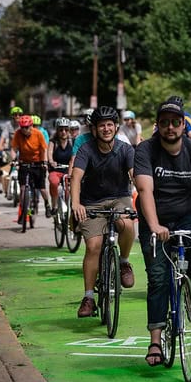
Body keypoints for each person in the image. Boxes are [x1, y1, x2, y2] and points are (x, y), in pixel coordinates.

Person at [133, 98, 191, 367]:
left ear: (183, 125)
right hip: (153, 217)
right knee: (158, 278)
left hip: (187, 215)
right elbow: (145, 190)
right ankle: (155, 341)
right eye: (165, 122)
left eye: (176, 122)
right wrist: (155, 226)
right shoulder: (146, 150)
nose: (170, 127)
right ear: (158, 126)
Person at [71, 106, 136, 318]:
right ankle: (88, 297)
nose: (106, 129)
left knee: (126, 224)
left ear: (116, 127)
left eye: (110, 125)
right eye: (102, 125)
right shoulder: (86, 149)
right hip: (91, 203)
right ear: (94, 129)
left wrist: (145, 199)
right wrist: (76, 204)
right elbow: (76, 178)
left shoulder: (125, 150)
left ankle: (124, 263)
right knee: (93, 246)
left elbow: (135, 176)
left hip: (119, 198)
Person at [10, 115, 52, 219]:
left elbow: (44, 149)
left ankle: (47, 204)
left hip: (38, 162)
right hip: (24, 162)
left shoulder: (38, 134)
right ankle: (23, 211)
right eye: (22, 127)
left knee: (41, 188)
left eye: (27, 127)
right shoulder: (18, 134)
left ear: (31, 126)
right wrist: (14, 160)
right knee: (23, 188)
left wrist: (45, 162)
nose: (24, 130)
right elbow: (14, 149)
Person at [48, 117, 73, 214]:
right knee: (53, 182)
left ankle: (70, 207)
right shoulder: (53, 142)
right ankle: (54, 205)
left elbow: (75, 156)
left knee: (70, 189)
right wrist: (51, 161)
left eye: (66, 129)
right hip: (56, 169)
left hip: (68, 170)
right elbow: (49, 153)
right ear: (57, 130)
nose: (63, 132)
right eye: (61, 129)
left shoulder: (72, 142)